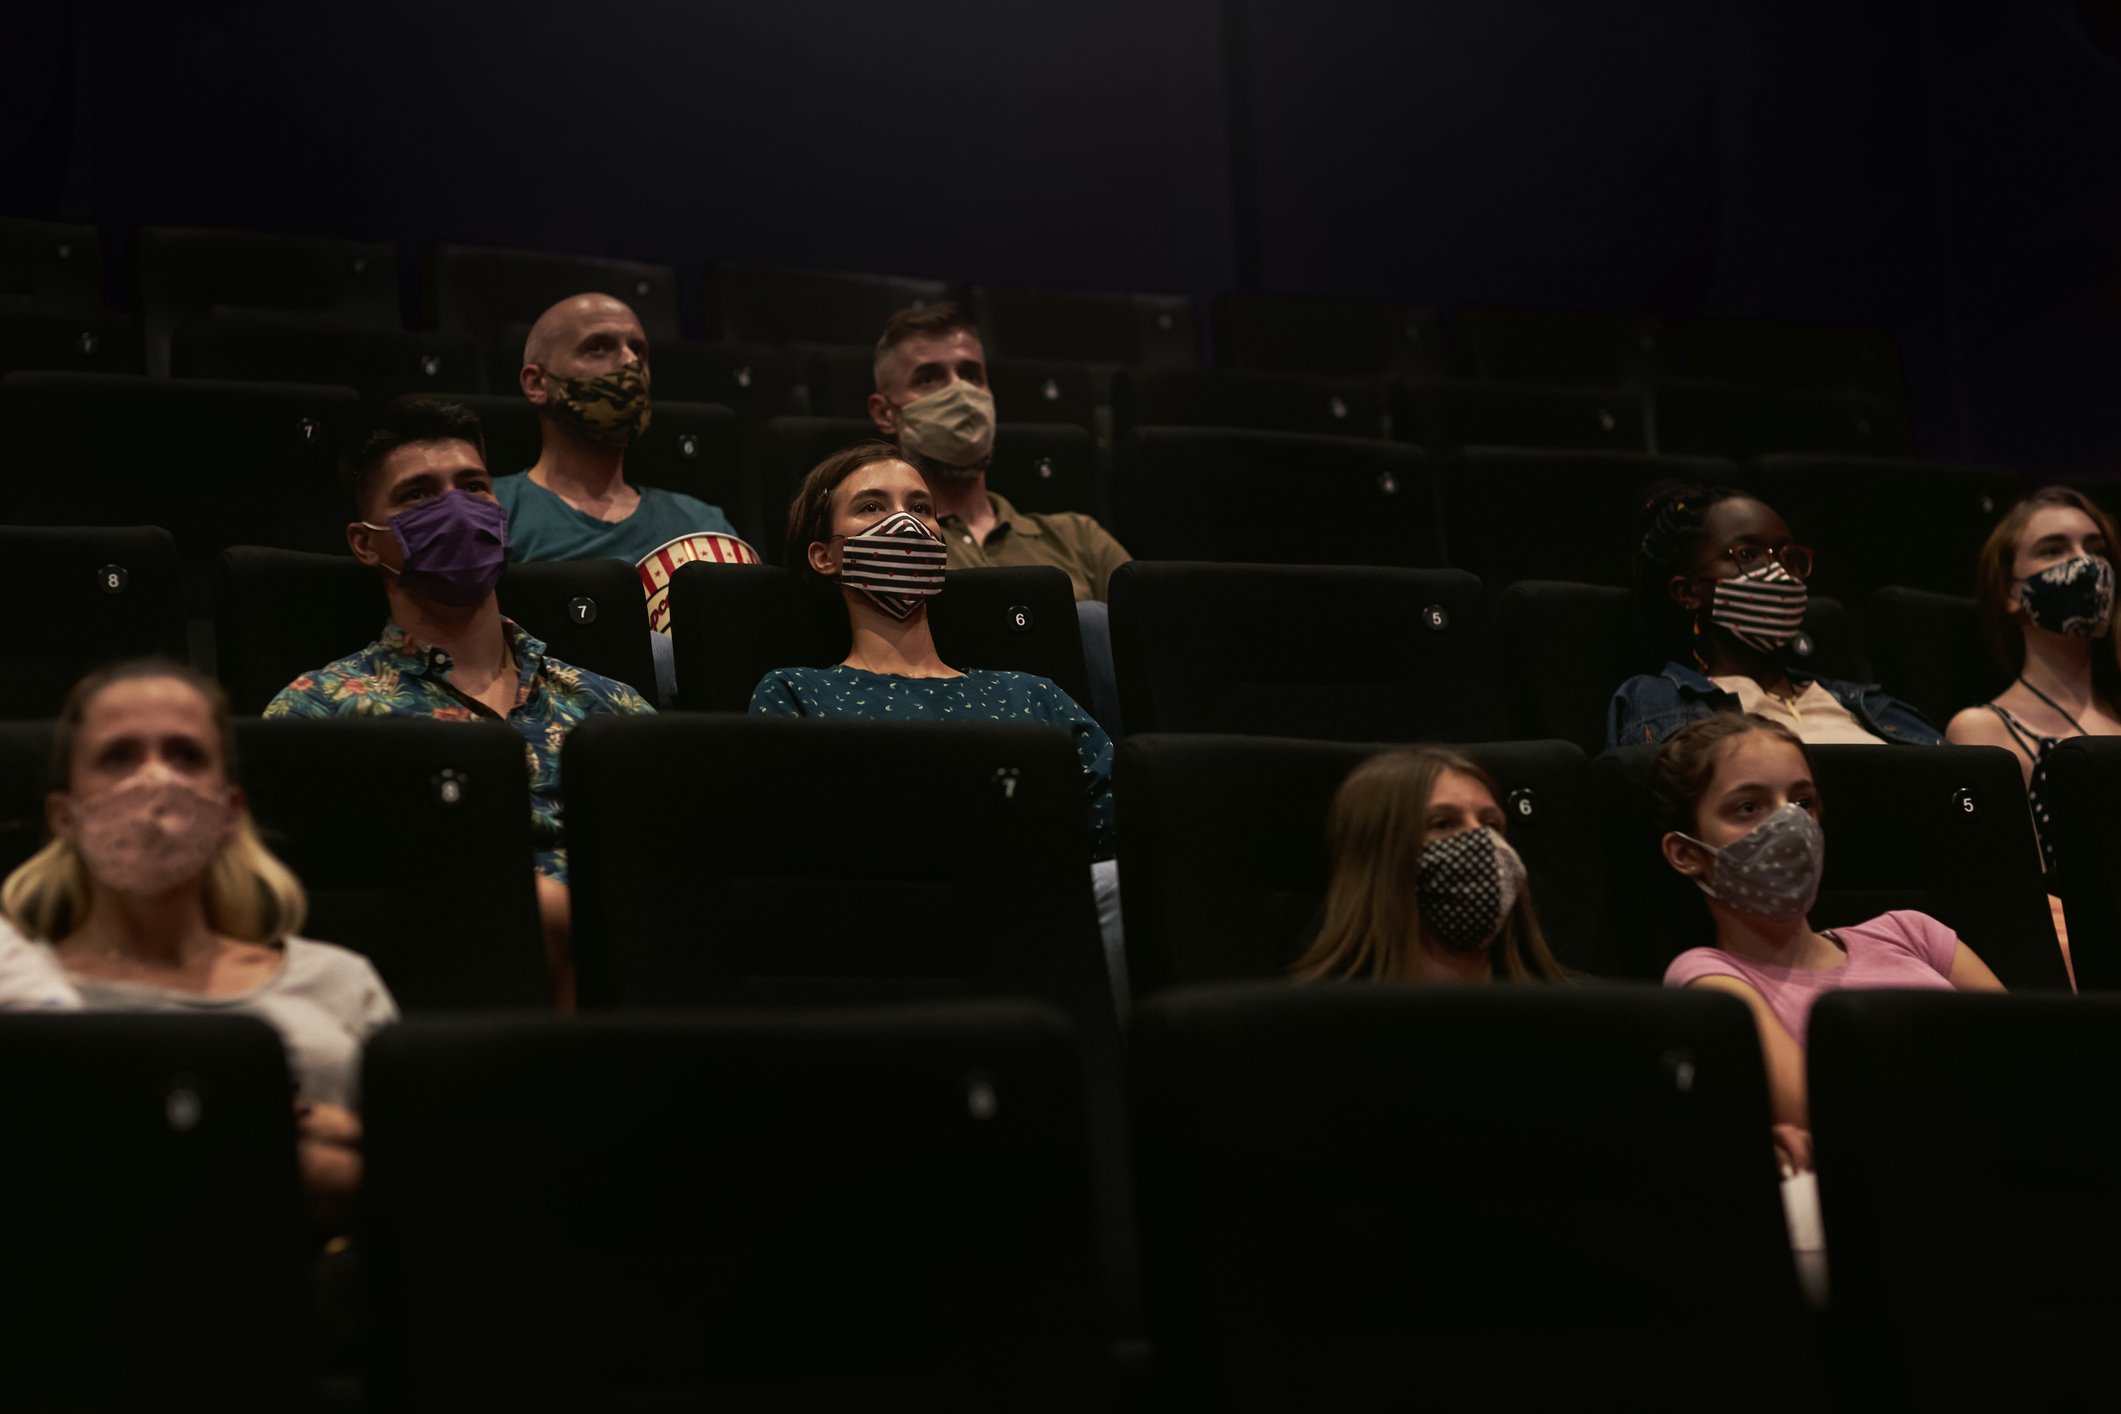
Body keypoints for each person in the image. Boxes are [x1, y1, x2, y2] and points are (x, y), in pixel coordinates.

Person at [264, 399, 656, 998]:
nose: (456, 507)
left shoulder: (610, 704)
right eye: (417, 495)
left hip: (634, 969)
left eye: (473, 486)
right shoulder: (320, 710)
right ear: (365, 544)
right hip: (440, 986)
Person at [0, 660, 396, 1207]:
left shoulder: (340, 982)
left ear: (229, 811)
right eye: (119, 757)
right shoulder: (16, 998)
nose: (156, 781)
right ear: (64, 816)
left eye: (186, 756)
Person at [747, 441, 1122, 992]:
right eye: (872, 507)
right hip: (884, 935)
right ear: (824, 555)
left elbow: (1116, 831)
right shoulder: (796, 693)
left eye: (920, 508)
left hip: (1046, 924)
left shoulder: (1032, 694)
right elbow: (790, 860)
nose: (904, 523)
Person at [1653, 713, 2003, 1167]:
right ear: (1687, 853)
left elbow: (2025, 1054)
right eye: (1748, 807)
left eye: (1802, 802)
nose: (1789, 826)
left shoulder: (1911, 931)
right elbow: (1835, 1113)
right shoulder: (1708, 978)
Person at [498, 292, 760, 638]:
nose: (629, 364)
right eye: (598, 347)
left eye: (639, 351)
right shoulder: (493, 507)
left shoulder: (703, 524)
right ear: (536, 383)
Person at [1609, 482, 1940, 747]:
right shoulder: (1659, 700)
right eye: (1748, 554)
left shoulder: (1868, 702)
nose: (1780, 573)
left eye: (1789, 557)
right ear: (1688, 592)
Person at [867, 302, 1131, 604]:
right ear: (884, 412)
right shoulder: (883, 546)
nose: (960, 394)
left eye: (971, 375)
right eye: (929, 379)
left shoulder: (1080, 538)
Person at [1946, 485, 2121, 871]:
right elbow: (2023, 894)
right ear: (2010, 592)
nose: (2085, 564)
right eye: (2053, 550)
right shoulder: (1985, 730)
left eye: (2096, 549)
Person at [1290, 748, 1563, 984]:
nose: (1483, 842)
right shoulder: (1305, 1021)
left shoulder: (1574, 1010)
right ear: (1380, 854)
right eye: (1442, 824)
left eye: (1492, 825)